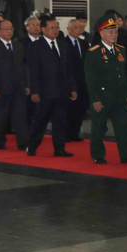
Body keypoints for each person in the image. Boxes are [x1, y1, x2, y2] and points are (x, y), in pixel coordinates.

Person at [83, 15, 127, 165]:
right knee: (99, 128)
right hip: (102, 97)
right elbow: (91, 78)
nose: (113, 35)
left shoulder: (121, 50)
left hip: (120, 96)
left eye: (115, 32)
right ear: (101, 33)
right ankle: (98, 155)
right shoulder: (94, 52)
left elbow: (125, 74)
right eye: (110, 32)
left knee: (123, 128)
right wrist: (95, 99)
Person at [26, 15, 78, 157]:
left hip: (62, 91)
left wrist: (73, 88)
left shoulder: (63, 44)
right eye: (52, 28)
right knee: (40, 121)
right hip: (44, 92)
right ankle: (32, 146)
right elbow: (33, 71)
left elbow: (69, 69)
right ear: (43, 29)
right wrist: (34, 91)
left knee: (60, 121)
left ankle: (59, 148)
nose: (55, 30)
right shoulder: (36, 46)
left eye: (57, 28)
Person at [0, 19, 28, 150]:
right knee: (1, 117)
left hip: (18, 88)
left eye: (11, 29)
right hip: (1, 88)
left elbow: (24, 68)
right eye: (5, 29)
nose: (9, 32)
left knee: (20, 116)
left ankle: (23, 142)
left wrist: (26, 85)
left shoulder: (19, 46)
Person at [64, 18, 89, 142]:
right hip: (68, 81)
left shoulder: (84, 44)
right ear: (68, 29)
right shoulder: (62, 43)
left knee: (80, 109)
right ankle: (67, 134)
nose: (77, 30)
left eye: (80, 28)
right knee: (69, 110)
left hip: (82, 82)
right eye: (74, 27)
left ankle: (75, 133)